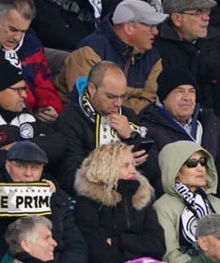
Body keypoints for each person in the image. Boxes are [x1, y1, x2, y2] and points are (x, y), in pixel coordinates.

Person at [45, 61, 153, 191]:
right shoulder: (69, 121)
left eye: (122, 96)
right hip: (93, 201)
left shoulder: (127, 115)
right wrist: (116, 166)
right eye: (111, 96)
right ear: (92, 89)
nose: (118, 103)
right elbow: (71, 177)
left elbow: (155, 173)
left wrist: (131, 136)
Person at [140, 66, 220, 200]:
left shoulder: (210, 122)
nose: (187, 97)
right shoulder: (147, 129)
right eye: (179, 91)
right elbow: (157, 177)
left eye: (191, 91)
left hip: (213, 202)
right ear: (163, 97)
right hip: (173, 205)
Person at [60, 0, 166, 115]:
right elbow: (88, 101)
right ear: (128, 27)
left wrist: (112, 100)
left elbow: (148, 103)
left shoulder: (153, 58)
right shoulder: (90, 51)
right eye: (151, 26)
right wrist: (132, 96)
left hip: (130, 124)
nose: (156, 32)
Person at [73, 141, 166, 263]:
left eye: (133, 164)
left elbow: (158, 246)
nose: (133, 171)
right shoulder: (88, 202)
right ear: (106, 169)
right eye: (126, 166)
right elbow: (98, 254)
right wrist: (138, 252)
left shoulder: (141, 197)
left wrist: (119, 241)